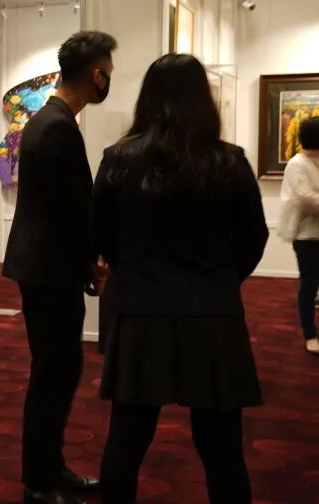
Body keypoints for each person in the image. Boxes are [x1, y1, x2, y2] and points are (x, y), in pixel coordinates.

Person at [95, 54, 268, 503]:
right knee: (222, 449)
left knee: (126, 441)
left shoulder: (118, 160)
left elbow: (103, 235)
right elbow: (254, 238)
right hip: (212, 314)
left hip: (141, 312)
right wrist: (222, 278)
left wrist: (134, 273)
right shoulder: (229, 161)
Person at [2, 31, 116, 504]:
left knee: (58, 371)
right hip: (48, 268)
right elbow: (69, 208)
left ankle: (50, 468)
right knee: (54, 373)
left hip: (46, 265)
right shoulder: (56, 127)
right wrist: (91, 261)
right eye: (108, 71)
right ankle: (39, 480)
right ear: (96, 74)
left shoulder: (50, 121)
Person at [278, 117, 319, 356]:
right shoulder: (297, 164)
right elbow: (306, 198)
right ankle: (310, 333)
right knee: (309, 285)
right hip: (306, 236)